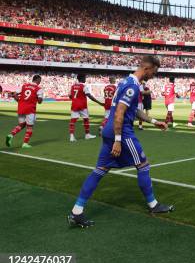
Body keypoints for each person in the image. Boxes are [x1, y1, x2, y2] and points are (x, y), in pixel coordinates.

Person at [68, 55, 173, 228]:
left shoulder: (125, 82)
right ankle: (153, 205)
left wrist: (154, 122)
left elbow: (133, 110)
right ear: (147, 68)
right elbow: (120, 114)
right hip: (122, 133)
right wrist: (118, 140)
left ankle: (76, 211)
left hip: (109, 130)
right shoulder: (132, 86)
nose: (153, 76)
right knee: (143, 165)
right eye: (154, 72)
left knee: (100, 170)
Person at [6, 74, 43, 149]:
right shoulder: (38, 88)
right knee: (30, 127)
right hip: (30, 109)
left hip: (21, 108)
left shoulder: (24, 86)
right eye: (40, 80)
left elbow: (14, 94)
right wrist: (38, 98)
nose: (40, 82)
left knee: (22, 124)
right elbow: (39, 101)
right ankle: (25, 143)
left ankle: (11, 135)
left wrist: (14, 97)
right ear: (38, 80)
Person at [69, 74, 104, 142]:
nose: (85, 79)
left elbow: (70, 96)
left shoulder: (73, 86)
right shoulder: (84, 86)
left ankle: (71, 136)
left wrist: (75, 99)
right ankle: (87, 135)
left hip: (74, 105)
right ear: (82, 78)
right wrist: (99, 102)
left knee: (73, 121)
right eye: (85, 78)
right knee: (86, 119)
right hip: (82, 105)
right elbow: (89, 96)